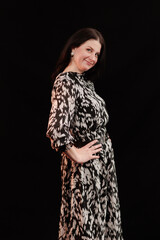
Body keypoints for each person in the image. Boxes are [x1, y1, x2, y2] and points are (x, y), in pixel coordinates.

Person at [46, 28, 123, 240]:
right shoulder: (66, 82)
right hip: (86, 172)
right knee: (86, 227)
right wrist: (77, 154)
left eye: (97, 54)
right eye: (88, 49)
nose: (93, 57)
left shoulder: (84, 82)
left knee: (102, 227)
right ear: (73, 48)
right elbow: (56, 130)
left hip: (102, 167)